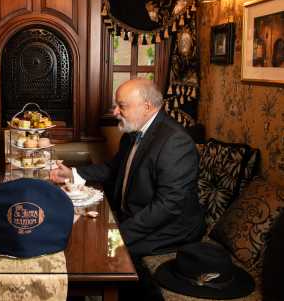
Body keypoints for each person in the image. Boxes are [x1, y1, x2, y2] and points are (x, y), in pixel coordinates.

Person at [50, 78, 205, 256]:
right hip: (134, 216)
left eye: (122, 106)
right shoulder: (133, 130)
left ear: (147, 107)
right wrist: (72, 174)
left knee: (98, 250)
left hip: (169, 230)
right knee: (75, 232)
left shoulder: (175, 142)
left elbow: (167, 206)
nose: (115, 112)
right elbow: (113, 168)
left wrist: (116, 234)